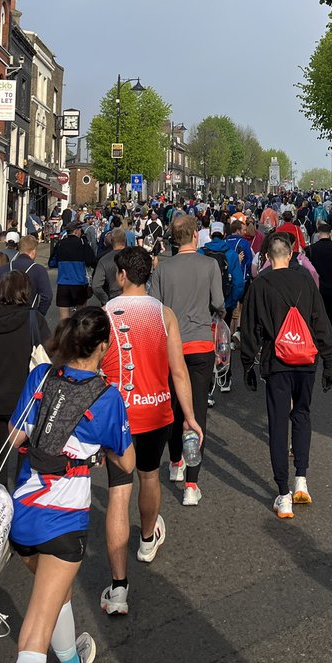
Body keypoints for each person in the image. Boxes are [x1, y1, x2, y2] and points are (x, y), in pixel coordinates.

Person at [5, 307, 134, 663]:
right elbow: (127, 461)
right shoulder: (108, 397)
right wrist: (99, 450)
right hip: (63, 521)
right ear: (104, 347)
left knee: (55, 593)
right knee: (34, 634)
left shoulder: (41, 376)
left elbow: (15, 436)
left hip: (21, 514)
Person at [100, 247, 203, 617]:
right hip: (157, 409)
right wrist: (190, 416)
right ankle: (146, 540)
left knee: (118, 492)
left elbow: (93, 367)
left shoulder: (105, 313)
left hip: (119, 415)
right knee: (149, 476)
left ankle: (119, 587)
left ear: (123, 275)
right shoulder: (164, 314)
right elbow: (179, 370)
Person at [240, 232, 332, 519]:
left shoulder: (261, 284)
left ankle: (283, 494)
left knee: (279, 423)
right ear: (291, 254)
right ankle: (301, 479)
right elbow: (320, 321)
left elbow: (250, 329)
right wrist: (328, 360)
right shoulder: (306, 281)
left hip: (277, 361)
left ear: (268, 257)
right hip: (306, 360)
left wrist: (247, 364)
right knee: (302, 415)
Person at [151, 213, 223, 502]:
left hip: (171, 346)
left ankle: (175, 462)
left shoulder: (162, 269)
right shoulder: (209, 265)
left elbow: (155, 307)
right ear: (196, 235)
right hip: (201, 344)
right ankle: (192, 485)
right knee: (197, 413)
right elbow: (219, 302)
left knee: (174, 409)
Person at [0, 269, 50, 489]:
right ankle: (21, 500)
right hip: (28, 400)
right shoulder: (35, 319)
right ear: (26, 291)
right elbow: (49, 355)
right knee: (26, 458)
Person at [304, 219, 332, 367]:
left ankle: (315, 351)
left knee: (315, 321)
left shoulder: (310, 250)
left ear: (318, 234)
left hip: (316, 291)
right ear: (330, 234)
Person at [0, 234, 52, 314]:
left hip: (5, 316)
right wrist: (39, 314)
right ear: (33, 252)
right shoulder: (39, 270)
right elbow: (47, 297)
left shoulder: (4, 268)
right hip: (28, 316)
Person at [53, 220, 97, 321]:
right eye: (80, 230)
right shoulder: (82, 243)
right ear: (76, 231)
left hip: (63, 284)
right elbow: (91, 261)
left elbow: (52, 262)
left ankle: (65, 331)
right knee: (80, 316)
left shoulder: (60, 244)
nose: (81, 232)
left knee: (64, 318)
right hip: (79, 283)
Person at [90, 227, 127, 305]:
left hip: (113, 296)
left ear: (112, 240)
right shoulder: (134, 256)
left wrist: (105, 300)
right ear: (125, 240)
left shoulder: (104, 259)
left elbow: (96, 286)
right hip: (133, 297)